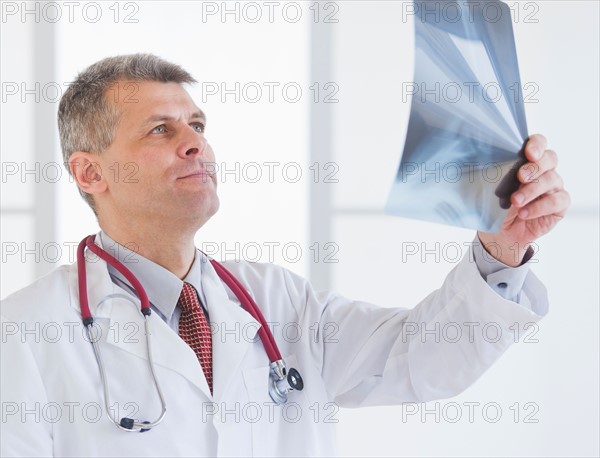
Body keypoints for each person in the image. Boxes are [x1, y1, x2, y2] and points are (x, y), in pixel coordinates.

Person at [0, 54, 570, 457]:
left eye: (197, 124)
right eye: (159, 129)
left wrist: (504, 247)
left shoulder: (280, 301)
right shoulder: (25, 333)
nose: (196, 142)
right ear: (90, 171)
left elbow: (419, 361)